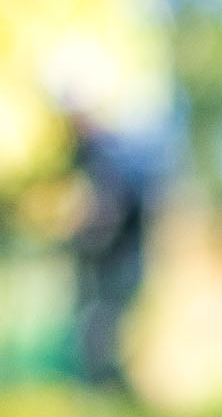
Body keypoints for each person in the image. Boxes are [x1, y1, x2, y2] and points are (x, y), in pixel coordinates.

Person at [66, 109, 173, 393]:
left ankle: (108, 385)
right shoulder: (96, 155)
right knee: (101, 324)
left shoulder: (106, 156)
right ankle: (106, 385)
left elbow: (110, 209)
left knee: (104, 325)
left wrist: (84, 234)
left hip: (119, 260)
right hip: (113, 260)